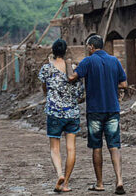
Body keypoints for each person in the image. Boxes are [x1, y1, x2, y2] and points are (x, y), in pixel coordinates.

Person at [67, 35, 127, 195]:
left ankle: (99, 183)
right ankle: (119, 180)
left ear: (91, 47)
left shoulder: (88, 61)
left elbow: (72, 77)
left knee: (97, 147)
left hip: (95, 111)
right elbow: (124, 84)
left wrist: (68, 64)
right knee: (114, 146)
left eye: (88, 46)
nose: (87, 48)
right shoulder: (114, 60)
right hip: (113, 109)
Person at [38, 39, 84, 192]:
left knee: (55, 148)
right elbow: (79, 94)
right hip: (72, 113)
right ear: (66, 51)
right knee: (71, 148)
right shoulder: (73, 69)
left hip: (54, 112)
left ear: (53, 51)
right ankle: (66, 184)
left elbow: (44, 88)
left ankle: (59, 174)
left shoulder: (46, 68)